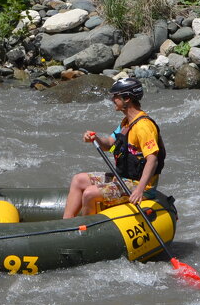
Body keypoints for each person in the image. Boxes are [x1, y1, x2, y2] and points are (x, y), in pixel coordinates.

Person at [63, 77, 166, 219]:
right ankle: (66, 224)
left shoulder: (144, 127)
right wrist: (95, 139)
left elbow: (152, 160)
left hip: (140, 185)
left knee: (90, 193)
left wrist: (140, 190)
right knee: (78, 180)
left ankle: (86, 231)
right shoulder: (126, 124)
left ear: (127, 98)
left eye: (116, 96)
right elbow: (110, 145)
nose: (113, 100)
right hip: (123, 178)